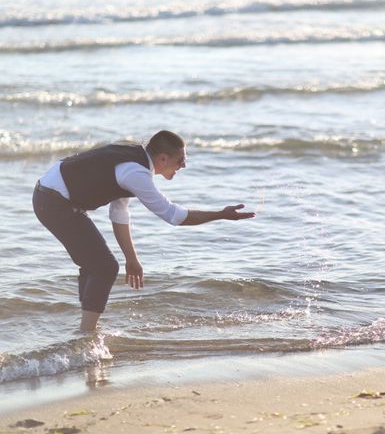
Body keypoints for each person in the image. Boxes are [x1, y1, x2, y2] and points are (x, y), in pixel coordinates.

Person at [32, 130, 255, 331]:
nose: (184, 165)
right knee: (106, 267)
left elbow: (119, 213)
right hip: (54, 203)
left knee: (96, 265)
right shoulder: (136, 172)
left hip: (51, 197)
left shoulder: (132, 160)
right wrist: (220, 214)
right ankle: (86, 332)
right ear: (163, 158)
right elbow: (173, 215)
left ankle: (86, 327)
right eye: (181, 160)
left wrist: (132, 259)